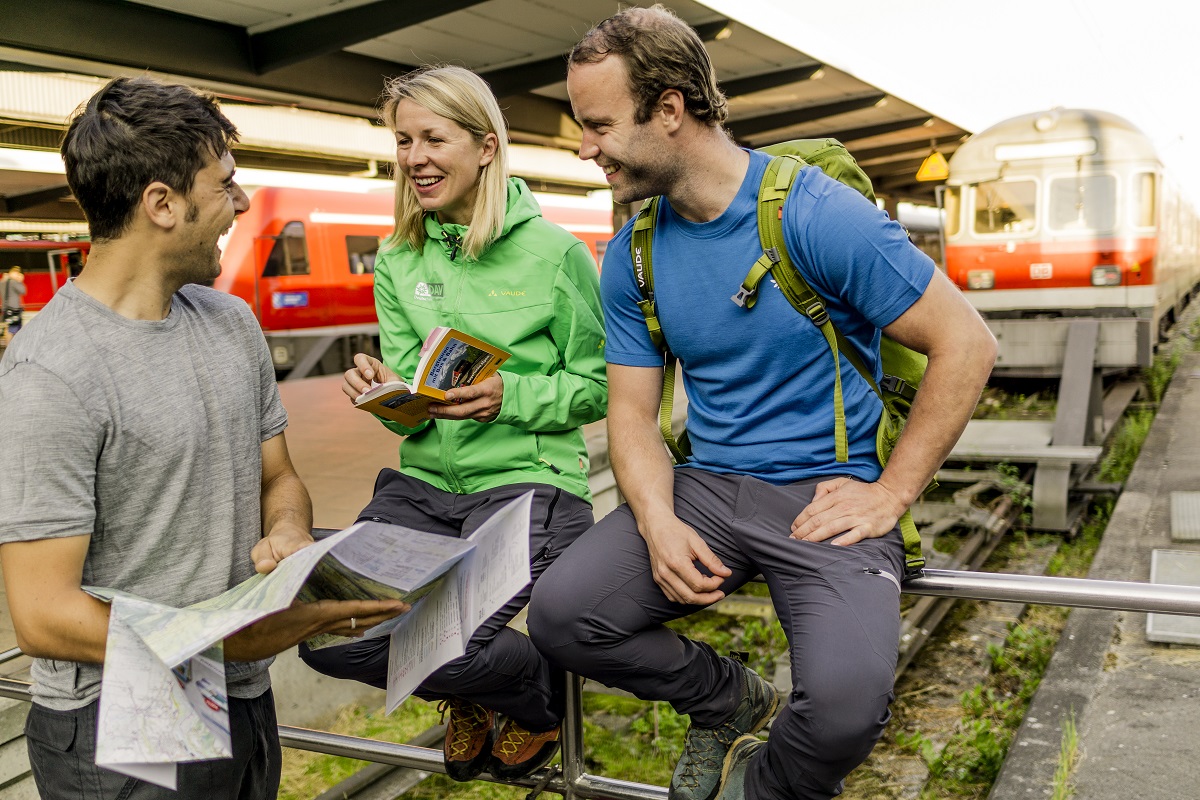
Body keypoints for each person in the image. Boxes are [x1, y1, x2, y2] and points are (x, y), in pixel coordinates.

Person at [527, 7, 997, 800]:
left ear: (669, 109)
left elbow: (968, 344)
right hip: (708, 488)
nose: (584, 146)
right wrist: (658, 521)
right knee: (564, 617)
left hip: (828, 492)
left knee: (846, 709)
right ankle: (726, 700)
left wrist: (892, 491)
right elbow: (633, 419)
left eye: (598, 124)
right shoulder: (634, 256)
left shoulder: (814, 215)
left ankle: (760, 786)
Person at [0, 76, 408, 800]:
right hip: (119, 718)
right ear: (162, 203)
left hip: (243, 690)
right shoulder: (49, 374)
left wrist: (286, 529)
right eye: (225, 184)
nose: (242, 204)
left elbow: (277, 476)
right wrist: (229, 638)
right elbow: (41, 615)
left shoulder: (231, 324)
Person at [297, 65, 607, 783]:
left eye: (433, 138)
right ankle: (497, 691)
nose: (414, 158)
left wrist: (513, 397)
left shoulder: (556, 254)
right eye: (403, 141)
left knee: (438, 639)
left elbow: (597, 385)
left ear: (486, 146)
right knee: (329, 634)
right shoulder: (400, 259)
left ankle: (524, 700)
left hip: (532, 486)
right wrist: (385, 393)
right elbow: (414, 395)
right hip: (426, 486)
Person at [1, 266, 26, 341]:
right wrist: (20, 281)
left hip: (6, 308)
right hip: (14, 309)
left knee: (9, 328)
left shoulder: (2, 281)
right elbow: (23, 291)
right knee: (13, 330)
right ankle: (12, 348)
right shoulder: (13, 282)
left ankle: (8, 348)